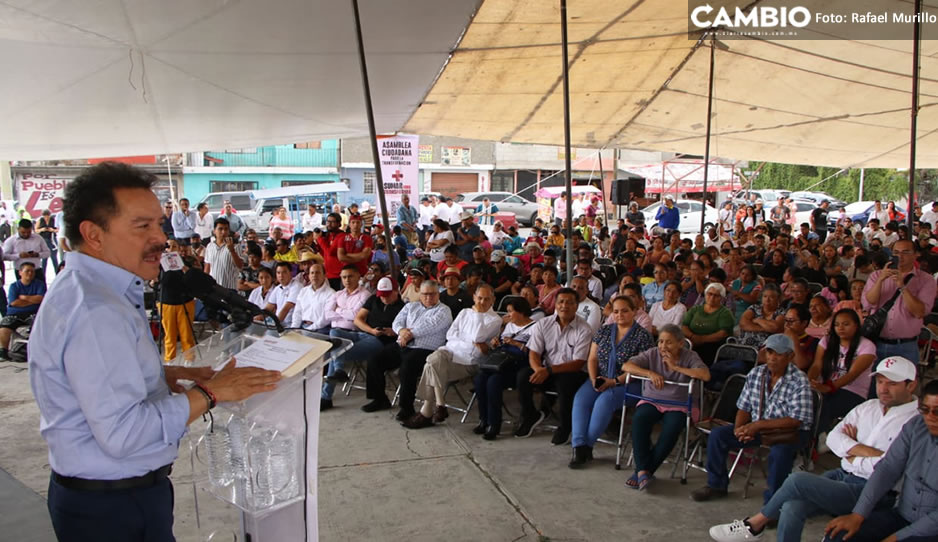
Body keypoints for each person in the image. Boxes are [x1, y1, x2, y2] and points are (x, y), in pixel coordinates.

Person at [29, 162, 281, 540]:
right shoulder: (96, 311)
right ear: (93, 234)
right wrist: (213, 393)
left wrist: (165, 374)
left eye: (159, 225)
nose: (161, 239)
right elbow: (124, 434)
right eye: (142, 226)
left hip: (113, 497)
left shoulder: (92, 290)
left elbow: (90, 379)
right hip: (113, 508)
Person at [708, 357, 920, 542]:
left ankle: (755, 525)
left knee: (798, 480)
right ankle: (758, 527)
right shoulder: (868, 407)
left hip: (873, 490)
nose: (883, 388)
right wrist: (863, 452)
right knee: (792, 507)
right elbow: (834, 439)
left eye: (892, 383)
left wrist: (853, 454)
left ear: (911, 386)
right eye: (880, 381)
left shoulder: (916, 422)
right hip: (843, 474)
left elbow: (891, 468)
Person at [690, 334, 813, 504]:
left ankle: (773, 503)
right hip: (758, 427)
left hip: (788, 433)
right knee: (718, 436)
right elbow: (744, 406)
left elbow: (796, 420)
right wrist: (739, 429)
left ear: (790, 356)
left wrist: (757, 425)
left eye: (778, 353)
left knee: (779, 453)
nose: (772, 358)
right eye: (769, 352)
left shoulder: (799, 380)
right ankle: (716, 485)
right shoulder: (756, 373)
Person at [823, 377, 938, 542]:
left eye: (937, 411)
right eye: (925, 409)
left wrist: (896, 538)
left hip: (932, 530)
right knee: (838, 535)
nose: (930, 417)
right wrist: (858, 515)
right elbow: (888, 468)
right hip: (902, 515)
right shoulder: (915, 426)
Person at [569, 296, 655, 467]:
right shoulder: (604, 331)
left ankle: (587, 445)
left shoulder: (643, 336)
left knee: (605, 400)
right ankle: (578, 446)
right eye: (616, 311)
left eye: (624, 311)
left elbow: (641, 368)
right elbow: (592, 359)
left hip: (631, 383)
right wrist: (594, 380)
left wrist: (614, 381)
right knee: (581, 399)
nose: (619, 315)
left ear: (634, 312)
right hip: (600, 377)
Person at [622, 324, 710, 488]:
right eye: (661, 341)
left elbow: (705, 375)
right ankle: (643, 472)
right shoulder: (652, 354)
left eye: (668, 342)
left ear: (680, 343)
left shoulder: (690, 356)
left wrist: (676, 367)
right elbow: (626, 366)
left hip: (680, 404)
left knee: (672, 427)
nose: (663, 346)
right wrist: (650, 373)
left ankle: (643, 471)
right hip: (653, 400)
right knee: (640, 419)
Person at [404, 284, 502, 428]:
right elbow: (450, 334)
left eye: (486, 299)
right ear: (474, 297)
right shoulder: (464, 312)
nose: (482, 302)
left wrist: (478, 317)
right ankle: (439, 405)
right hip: (449, 352)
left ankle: (428, 411)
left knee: (430, 365)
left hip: (469, 361)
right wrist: (470, 340)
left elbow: (477, 336)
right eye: (479, 298)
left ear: (493, 300)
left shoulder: (495, 319)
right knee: (433, 359)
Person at [362, 280, 453, 419]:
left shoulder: (444, 310)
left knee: (407, 367)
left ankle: (406, 408)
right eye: (425, 294)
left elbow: (430, 326)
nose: (428, 297)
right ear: (420, 294)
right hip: (403, 344)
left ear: (438, 294)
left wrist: (408, 334)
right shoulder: (411, 306)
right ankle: (379, 399)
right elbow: (397, 322)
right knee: (375, 359)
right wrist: (402, 331)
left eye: (432, 294)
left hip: (425, 349)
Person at [515, 288, 592, 445]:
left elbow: (578, 363)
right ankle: (530, 415)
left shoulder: (584, 329)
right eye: (561, 302)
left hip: (571, 371)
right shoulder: (543, 324)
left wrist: (548, 371)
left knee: (565, 385)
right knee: (523, 376)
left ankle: (565, 426)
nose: (565, 306)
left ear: (577, 306)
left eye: (570, 302)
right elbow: (534, 353)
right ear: (555, 305)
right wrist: (538, 370)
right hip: (546, 369)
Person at [321, 276, 403, 410]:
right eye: (382, 295)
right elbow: (357, 320)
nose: (384, 299)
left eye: (387, 295)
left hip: (379, 341)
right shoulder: (374, 299)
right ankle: (339, 370)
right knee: (334, 333)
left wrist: (392, 331)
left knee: (336, 350)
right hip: (364, 333)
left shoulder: (402, 307)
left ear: (396, 291)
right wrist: (371, 330)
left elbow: (404, 329)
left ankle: (326, 396)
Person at [862, 239, 936, 365]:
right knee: (875, 383)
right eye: (896, 252)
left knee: (903, 383)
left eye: (906, 252)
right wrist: (881, 280)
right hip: (875, 342)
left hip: (905, 346)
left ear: (916, 254)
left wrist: (902, 287)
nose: (900, 256)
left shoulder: (926, 280)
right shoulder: (876, 275)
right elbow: (868, 304)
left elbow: (919, 312)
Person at [473, 297, 536, 440]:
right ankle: (484, 419)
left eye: (510, 312)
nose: (507, 316)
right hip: (501, 363)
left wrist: (516, 344)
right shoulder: (509, 326)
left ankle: (494, 424)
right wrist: (496, 343)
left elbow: (536, 352)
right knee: (480, 379)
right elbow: (501, 346)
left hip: (517, 366)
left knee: (493, 382)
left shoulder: (535, 327)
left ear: (521, 312)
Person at [809, 309, 876, 436]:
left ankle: (818, 438)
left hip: (853, 392)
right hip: (825, 387)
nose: (840, 328)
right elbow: (817, 365)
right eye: (837, 324)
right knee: (807, 401)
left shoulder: (867, 346)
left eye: (846, 324)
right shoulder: (826, 341)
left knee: (823, 406)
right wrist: (810, 382)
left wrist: (829, 387)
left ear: (856, 325)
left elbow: (852, 374)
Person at [0, 262, 45, 362]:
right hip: (15, 313)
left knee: (40, 325)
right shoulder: (14, 286)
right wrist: (32, 300)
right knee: (4, 326)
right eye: (27, 271)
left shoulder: (39, 284)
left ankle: (38, 352)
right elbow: (14, 303)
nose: (30, 273)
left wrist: (24, 298)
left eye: (32, 271)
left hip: (33, 313)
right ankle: (3, 352)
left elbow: (41, 299)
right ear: (20, 272)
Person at [682, 283, 734, 366]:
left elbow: (723, 333)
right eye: (710, 294)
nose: (712, 297)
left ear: (722, 298)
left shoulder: (725, 313)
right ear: (705, 294)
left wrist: (702, 339)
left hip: (712, 344)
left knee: (705, 350)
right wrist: (692, 337)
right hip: (692, 340)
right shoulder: (695, 309)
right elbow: (684, 326)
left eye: (716, 295)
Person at [290, 262, 336, 333]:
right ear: (309, 276)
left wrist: (308, 330)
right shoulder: (303, 291)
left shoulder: (331, 293)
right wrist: (294, 329)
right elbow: (297, 312)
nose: (314, 275)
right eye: (312, 273)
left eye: (317, 273)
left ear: (324, 275)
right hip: (303, 326)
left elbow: (325, 318)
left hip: (321, 329)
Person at [203, 217, 243, 294]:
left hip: (230, 288)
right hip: (213, 287)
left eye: (226, 229)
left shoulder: (236, 246)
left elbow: (240, 266)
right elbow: (207, 267)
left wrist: (232, 250)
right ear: (214, 231)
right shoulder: (210, 246)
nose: (223, 232)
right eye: (220, 229)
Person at [738, 283, 785, 347]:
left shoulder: (781, 312)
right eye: (765, 296)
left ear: (778, 298)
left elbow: (775, 328)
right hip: (745, 346)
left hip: (767, 350)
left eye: (771, 297)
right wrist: (764, 328)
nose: (767, 300)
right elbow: (743, 324)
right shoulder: (754, 308)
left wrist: (758, 320)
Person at [36, 209, 59, 278]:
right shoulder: (40, 220)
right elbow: (36, 230)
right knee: (44, 259)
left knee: (54, 258)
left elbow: (58, 229)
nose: (46, 218)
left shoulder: (53, 220)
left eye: (47, 216)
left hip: (52, 240)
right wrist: (41, 229)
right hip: (43, 240)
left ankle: (57, 273)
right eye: (45, 216)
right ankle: (43, 275)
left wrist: (53, 230)